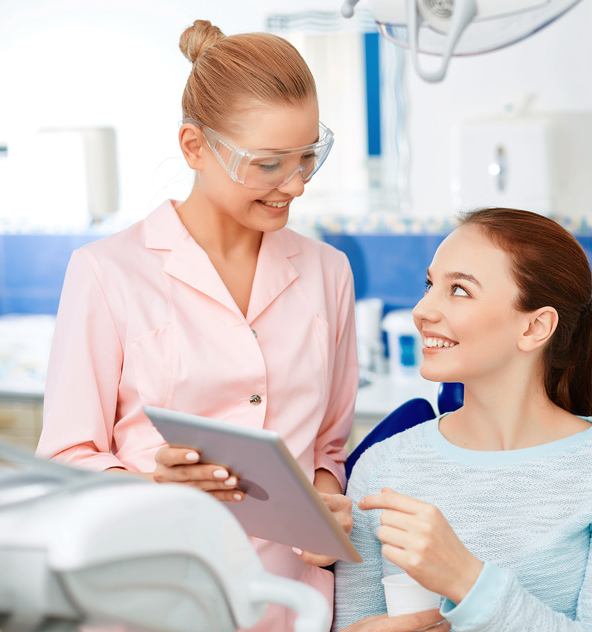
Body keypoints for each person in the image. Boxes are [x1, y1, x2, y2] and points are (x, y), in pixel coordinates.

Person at [36, 20, 357, 631]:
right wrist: (150, 483)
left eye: (308, 157)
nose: (295, 187)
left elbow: (329, 448)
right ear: (194, 146)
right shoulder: (108, 272)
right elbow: (65, 457)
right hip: (151, 591)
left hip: (290, 600)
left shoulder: (328, 273)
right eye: (268, 165)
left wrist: (325, 507)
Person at [333, 208, 592, 631]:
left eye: (458, 290)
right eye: (429, 284)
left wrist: (466, 580)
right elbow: (355, 623)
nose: (421, 310)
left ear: (534, 327)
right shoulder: (381, 469)